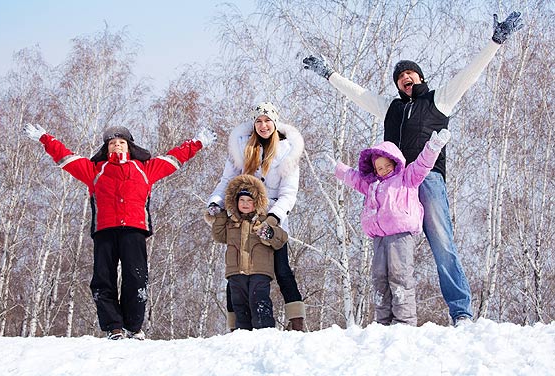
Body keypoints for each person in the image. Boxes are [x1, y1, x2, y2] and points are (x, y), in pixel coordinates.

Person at [303, 11, 523, 326]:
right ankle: (390, 317)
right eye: (399, 76)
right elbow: (358, 94)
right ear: (397, 85)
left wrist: (495, 42)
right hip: (394, 186)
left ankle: (461, 312)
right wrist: (329, 74)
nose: (405, 77)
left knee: (441, 241)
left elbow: (471, 73)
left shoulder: (439, 100)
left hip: (427, 178)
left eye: (410, 74)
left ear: (419, 78)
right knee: (389, 252)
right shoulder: (389, 108)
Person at [23, 122, 217, 340]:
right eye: (112, 143)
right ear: (106, 149)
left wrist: (199, 141)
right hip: (104, 230)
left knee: (136, 278)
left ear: (129, 146)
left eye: (121, 143)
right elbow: (66, 158)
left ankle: (133, 327)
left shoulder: (145, 169)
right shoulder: (94, 170)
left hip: (134, 230)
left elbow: (175, 158)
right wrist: (44, 138)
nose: (117, 146)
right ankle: (113, 327)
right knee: (102, 278)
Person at [331, 130, 450, 325]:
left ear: (395, 163)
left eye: (387, 165)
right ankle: (383, 320)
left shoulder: (406, 178)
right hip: (379, 237)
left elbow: (422, 164)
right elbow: (354, 178)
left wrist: (433, 147)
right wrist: (338, 168)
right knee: (380, 278)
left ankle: (404, 320)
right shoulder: (372, 185)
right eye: (379, 167)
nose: (384, 169)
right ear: (375, 169)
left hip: (400, 236)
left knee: (399, 274)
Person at [207, 102, 306, 331]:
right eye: (259, 121)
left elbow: (288, 193)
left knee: (281, 269)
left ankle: (296, 321)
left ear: (275, 123)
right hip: (244, 215)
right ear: (253, 124)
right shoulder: (241, 148)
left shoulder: (288, 151)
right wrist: (215, 202)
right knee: (236, 269)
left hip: (272, 217)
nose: (263, 125)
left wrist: (273, 218)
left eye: (268, 121)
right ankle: (234, 326)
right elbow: (226, 181)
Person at [209, 174, 288, 330]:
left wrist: (270, 233)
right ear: (236, 202)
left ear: (256, 203)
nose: (245, 204)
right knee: (239, 303)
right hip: (236, 272)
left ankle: (264, 331)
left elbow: (281, 239)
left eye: (249, 201)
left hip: (259, 271)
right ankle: (242, 334)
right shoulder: (232, 223)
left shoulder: (264, 221)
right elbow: (219, 236)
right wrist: (220, 215)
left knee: (259, 301)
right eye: (242, 200)